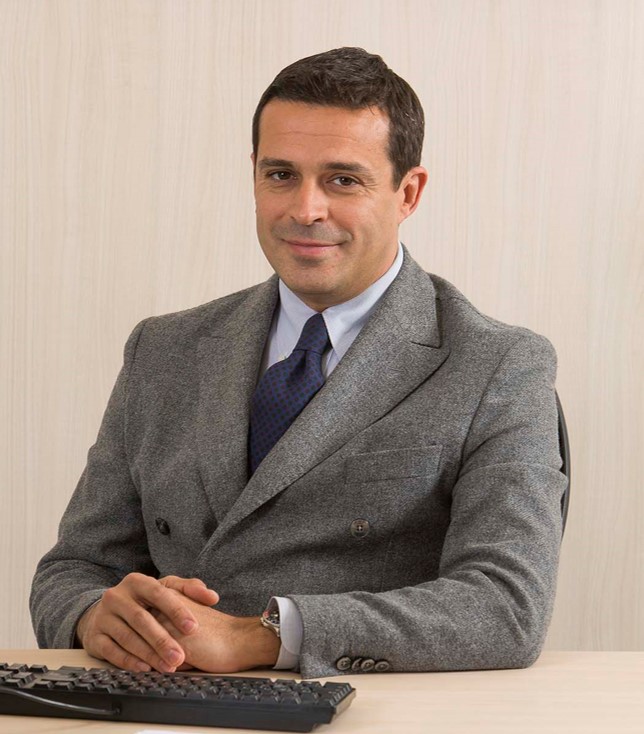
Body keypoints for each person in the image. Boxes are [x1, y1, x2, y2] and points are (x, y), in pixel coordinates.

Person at [30, 47, 566, 680]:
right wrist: (96, 616)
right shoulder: (163, 349)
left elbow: (505, 606)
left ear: (408, 193)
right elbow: (75, 569)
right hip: (162, 706)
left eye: (343, 180)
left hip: (368, 712)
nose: (305, 209)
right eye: (281, 174)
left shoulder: (499, 365)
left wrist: (258, 637)